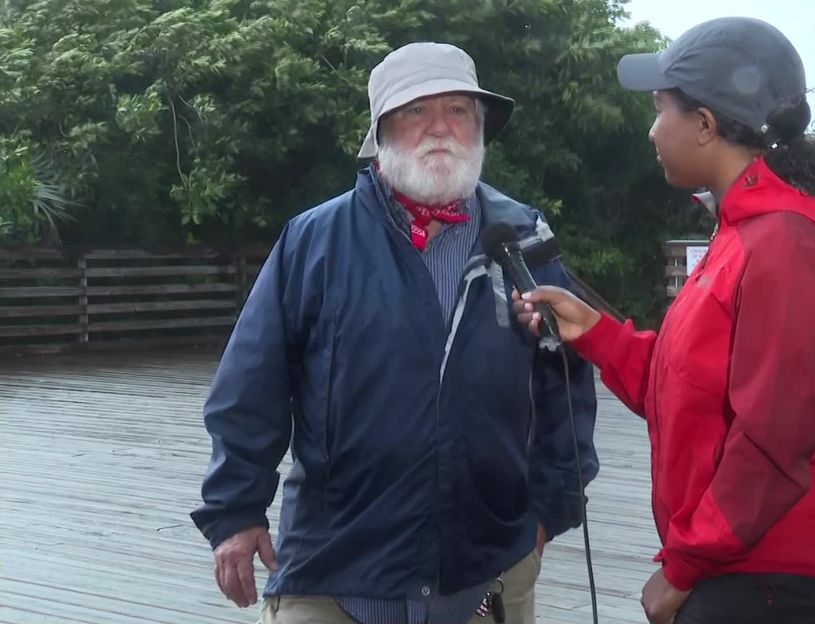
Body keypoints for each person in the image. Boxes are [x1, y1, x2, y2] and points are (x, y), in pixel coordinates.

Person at [190, 41, 599, 624]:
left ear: (481, 128)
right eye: (416, 111)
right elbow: (248, 387)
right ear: (381, 133)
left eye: (459, 110)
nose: (441, 128)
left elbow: (567, 381)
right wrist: (234, 510)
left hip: (488, 572)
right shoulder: (313, 241)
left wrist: (551, 508)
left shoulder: (524, 239)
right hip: (334, 571)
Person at [512, 16, 815, 624]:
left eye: (659, 108)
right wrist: (595, 332)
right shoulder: (744, 229)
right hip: (746, 560)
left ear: (704, 124)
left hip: (773, 573)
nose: (651, 130)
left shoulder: (781, 246)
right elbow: (692, 390)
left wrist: (682, 568)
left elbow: (773, 440)